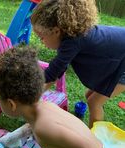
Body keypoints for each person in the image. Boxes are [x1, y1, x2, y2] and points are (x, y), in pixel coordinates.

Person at [31, 0, 125, 128]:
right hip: (119, 57)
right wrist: (38, 93)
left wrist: (31, 97)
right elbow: (57, 71)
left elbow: (54, 71)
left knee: (94, 102)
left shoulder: (73, 41)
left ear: (56, 31)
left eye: (42, 37)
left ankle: (95, 143)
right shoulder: (71, 36)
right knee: (89, 95)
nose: (42, 42)